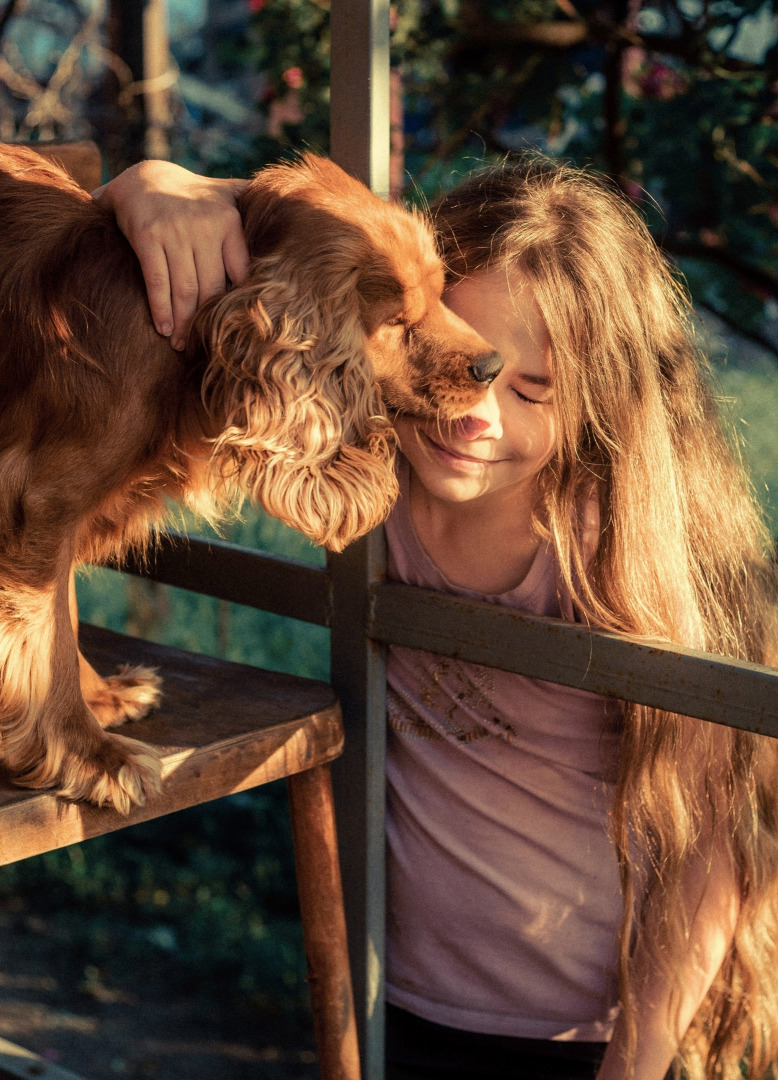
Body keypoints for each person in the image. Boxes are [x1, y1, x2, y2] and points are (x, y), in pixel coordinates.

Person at [96, 155, 778, 1080]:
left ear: (603, 407)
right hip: (387, 1002)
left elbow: (710, 843)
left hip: (588, 1040)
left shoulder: (614, 556)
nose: (474, 415)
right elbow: (290, 240)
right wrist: (151, 185)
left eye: (529, 389)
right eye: (442, 349)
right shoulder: (368, 486)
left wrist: (639, 1060)